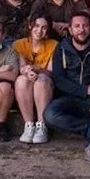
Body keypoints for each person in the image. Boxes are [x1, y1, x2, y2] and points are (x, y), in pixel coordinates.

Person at [44, 11, 90, 165]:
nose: (81, 30)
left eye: (85, 26)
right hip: (68, 97)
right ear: (70, 29)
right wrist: (84, 90)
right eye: (77, 26)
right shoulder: (61, 48)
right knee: (50, 115)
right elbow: (59, 79)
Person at [13, 14, 58, 144]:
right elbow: (20, 67)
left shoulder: (53, 45)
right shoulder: (19, 44)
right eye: (37, 26)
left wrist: (37, 69)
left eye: (44, 28)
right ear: (30, 26)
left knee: (41, 80)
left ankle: (41, 125)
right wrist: (27, 71)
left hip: (45, 80)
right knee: (22, 80)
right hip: (26, 80)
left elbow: (51, 72)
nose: (39, 31)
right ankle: (29, 125)